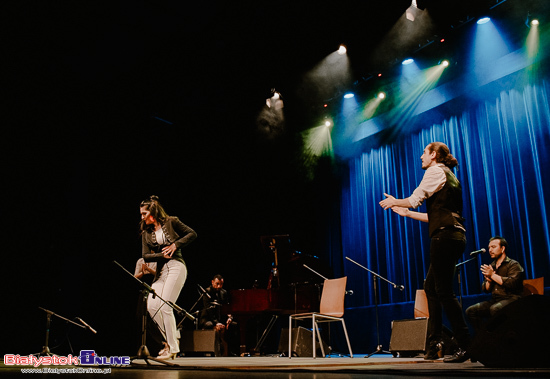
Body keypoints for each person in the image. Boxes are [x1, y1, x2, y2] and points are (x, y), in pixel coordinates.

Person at [379, 142, 471, 363]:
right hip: (454, 235)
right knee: (431, 288)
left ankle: (466, 344)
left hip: (445, 238)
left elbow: (414, 199)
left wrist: (394, 202)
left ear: (434, 154)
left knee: (443, 292)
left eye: (424, 153)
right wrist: (407, 214)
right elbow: (435, 215)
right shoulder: (450, 176)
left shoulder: (435, 170)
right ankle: (435, 343)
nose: (421, 157)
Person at [140, 195, 197, 360]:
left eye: (144, 214)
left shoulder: (171, 221)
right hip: (161, 272)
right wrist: (160, 255)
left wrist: (175, 245)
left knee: (165, 305)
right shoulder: (146, 232)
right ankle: (171, 338)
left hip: (176, 267)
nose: (142, 217)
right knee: (151, 306)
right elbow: (145, 256)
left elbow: (192, 234)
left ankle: (173, 348)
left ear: (153, 212)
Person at [465, 236, 524, 333]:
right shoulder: (491, 266)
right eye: (489, 248)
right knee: (471, 311)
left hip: (512, 299)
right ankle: (485, 336)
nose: (490, 250)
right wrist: (489, 280)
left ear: (502, 248)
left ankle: (500, 338)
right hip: (496, 300)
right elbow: (485, 289)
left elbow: (512, 283)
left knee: (495, 309)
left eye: (493, 247)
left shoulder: (513, 264)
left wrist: (492, 275)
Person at [199, 274, 236, 356]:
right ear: (212, 282)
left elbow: (227, 307)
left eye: (221, 284)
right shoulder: (207, 292)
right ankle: (215, 351)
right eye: (217, 284)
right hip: (208, 318)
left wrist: (230, 317)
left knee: (233, 325)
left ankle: (230, 351)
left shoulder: (224, 292)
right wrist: (216, 323)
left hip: (220, 318)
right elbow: (208, 309)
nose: (219, 286)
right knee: (210, 324)